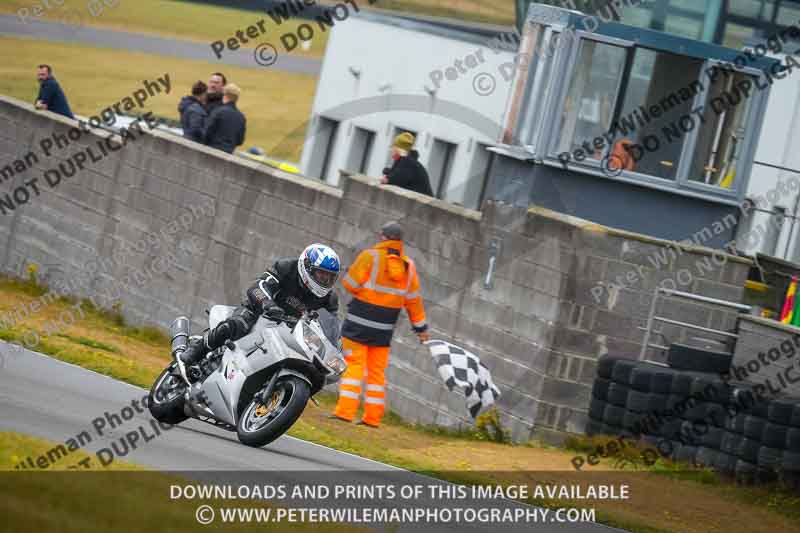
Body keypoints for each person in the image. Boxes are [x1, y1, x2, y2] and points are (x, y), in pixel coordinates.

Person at [180, 244, 341, 371]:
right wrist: (267, 304)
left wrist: (334, 348)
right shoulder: (286, 267)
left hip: (291, 332)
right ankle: (196, 351)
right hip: (260, 312)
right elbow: (257, 287)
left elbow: (331, 328)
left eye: (330, 277)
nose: (325, 280)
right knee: (236, 324)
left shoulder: (329, 299)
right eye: (321, 274)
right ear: (307, 267)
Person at [332, 221, 429, 428]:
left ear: (382, 237)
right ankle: (372, 418)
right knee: (376, 372)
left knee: (354, 366)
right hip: (384, 330)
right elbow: (414, 302)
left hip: (358, 323)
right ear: (400, 242)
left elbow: (349, 284)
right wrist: (421, 329)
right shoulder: (408, 267)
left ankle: (345, 413)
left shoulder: (369, 256)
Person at [203, 83, 246, 154]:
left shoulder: (218, 111)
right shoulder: (241, 117)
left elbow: (207, 132)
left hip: (212, 151)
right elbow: (240, 140)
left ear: (224, 95)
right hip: (228, 154)